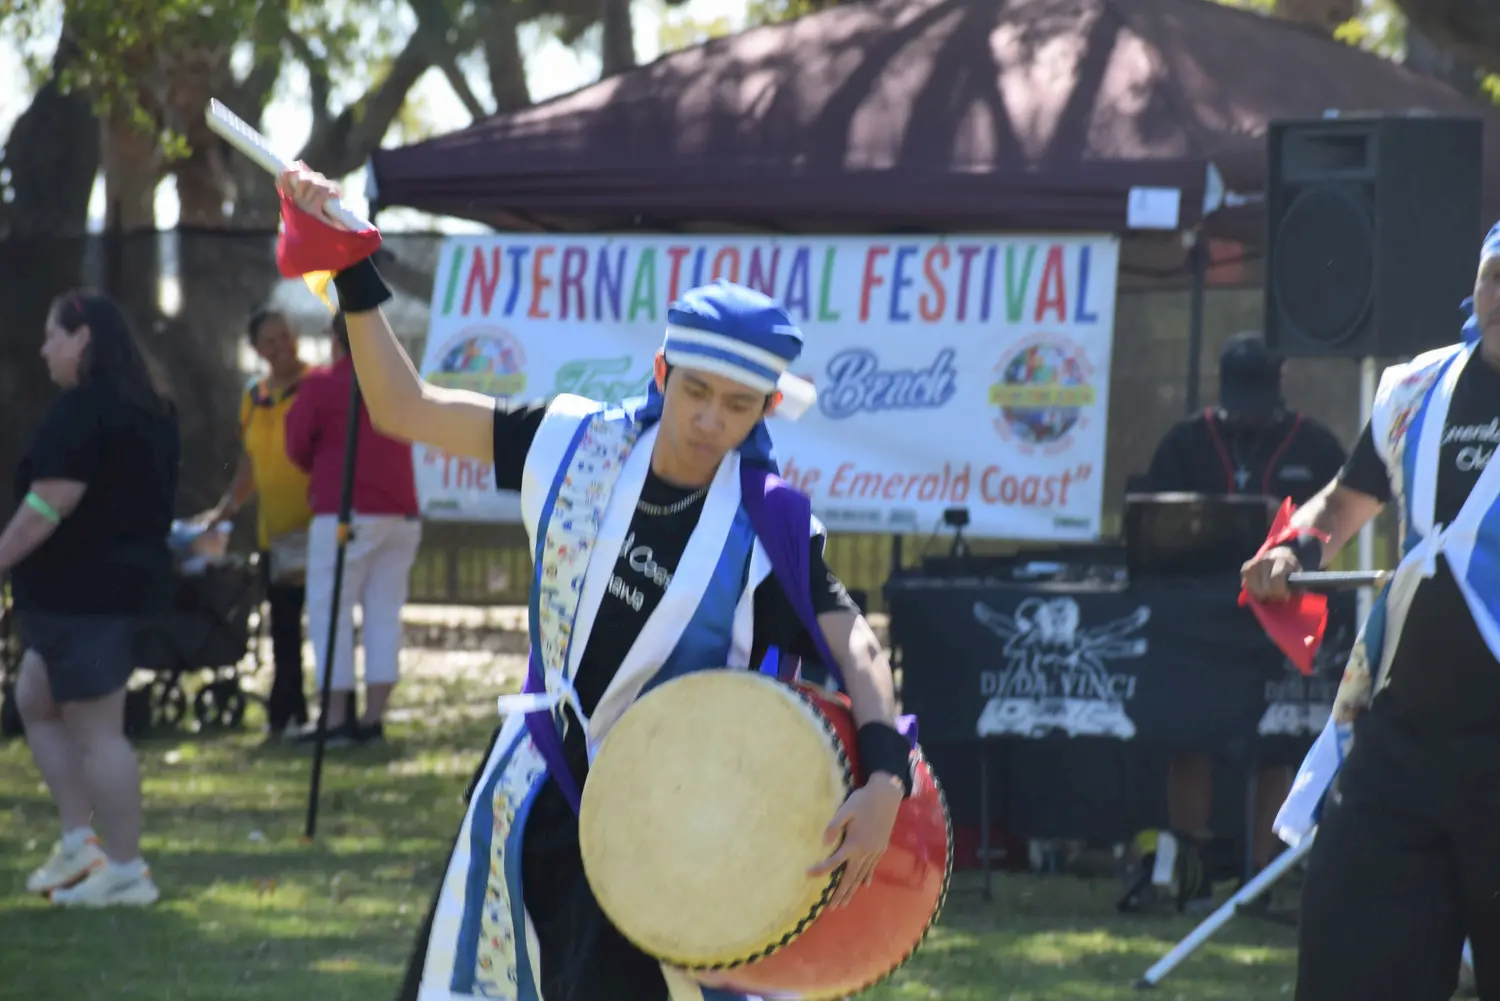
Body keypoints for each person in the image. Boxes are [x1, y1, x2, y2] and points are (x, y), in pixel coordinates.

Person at [276, 165, 913, 1001]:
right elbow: (406, 407)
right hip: (530, 788)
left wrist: (885, 776)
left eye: (735, 404)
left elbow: (855, 645)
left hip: (668, 828)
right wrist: (351, 270)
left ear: (763, 410)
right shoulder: (571, 442)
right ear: (660, 372)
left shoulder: (774, 524)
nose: (709, 420)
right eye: (694, 391)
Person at [1242, 221, 1500, 1001]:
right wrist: (1295, 548)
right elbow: (1345, 499)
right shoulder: (1418, 390)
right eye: (1496, 276)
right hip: (1400, 744)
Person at [1143, 331, 1347, 905]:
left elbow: (1337, 527)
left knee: (1277, 741)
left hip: (1283, 615)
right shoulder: (1185, 442)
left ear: (1282, 385)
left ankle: (1266, 873)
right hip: (1199, 616)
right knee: (1190, 735)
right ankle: (1187, 866)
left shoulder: (1317, 445)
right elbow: (1148, 529)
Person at [1, 290, 179, 907]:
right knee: (34, 697)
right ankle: (81, 842)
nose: (45, 349)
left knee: (98, 730)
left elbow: (50, 504)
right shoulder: (150, 408)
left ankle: (126, 870)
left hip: (85, 596)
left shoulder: (85, 410)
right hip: (110, 591)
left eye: (53, 336)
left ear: (83, 339)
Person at [284, 310, 421, 745]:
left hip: (347, 512)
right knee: (384, 612)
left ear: (335, 339)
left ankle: (336, 715)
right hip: (401, 511)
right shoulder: (398, 380)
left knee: (331, 611)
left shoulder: (323, 384)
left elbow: (297, 446)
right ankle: (373, 717)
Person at [200, 308, 313, 739]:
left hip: (321, 529)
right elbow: (250, 463)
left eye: (286, 336)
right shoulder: (254, 396)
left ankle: (336, 718)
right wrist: (223, 511)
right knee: (283, 631)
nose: (281, 346)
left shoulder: (317, 384)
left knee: (323, 627)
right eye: (270, 341)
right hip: (277, 534)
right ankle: (286, 714)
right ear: (256, 350)